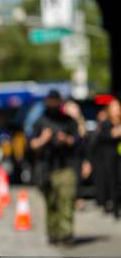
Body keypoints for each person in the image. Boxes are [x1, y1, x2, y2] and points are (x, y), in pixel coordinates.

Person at [29, 90, 79, 245]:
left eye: (56, 102)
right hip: (46, 168)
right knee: (51, 202)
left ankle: (66, 234)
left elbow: (78, 141)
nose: (53, 105)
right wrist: (44, 139)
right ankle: (53, 233)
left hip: (66, 167)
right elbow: (31, 145)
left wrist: (65, 139)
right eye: (50, 102)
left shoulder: (69, 121)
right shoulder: (39, 121)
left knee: (66, 200)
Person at [97, 98, 121, 218]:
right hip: (109, 155)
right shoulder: (106, 123)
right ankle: (114, 206)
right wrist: (113, 133)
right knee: (112, 181)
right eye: (115, 107)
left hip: (119, 155)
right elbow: (100, 138)